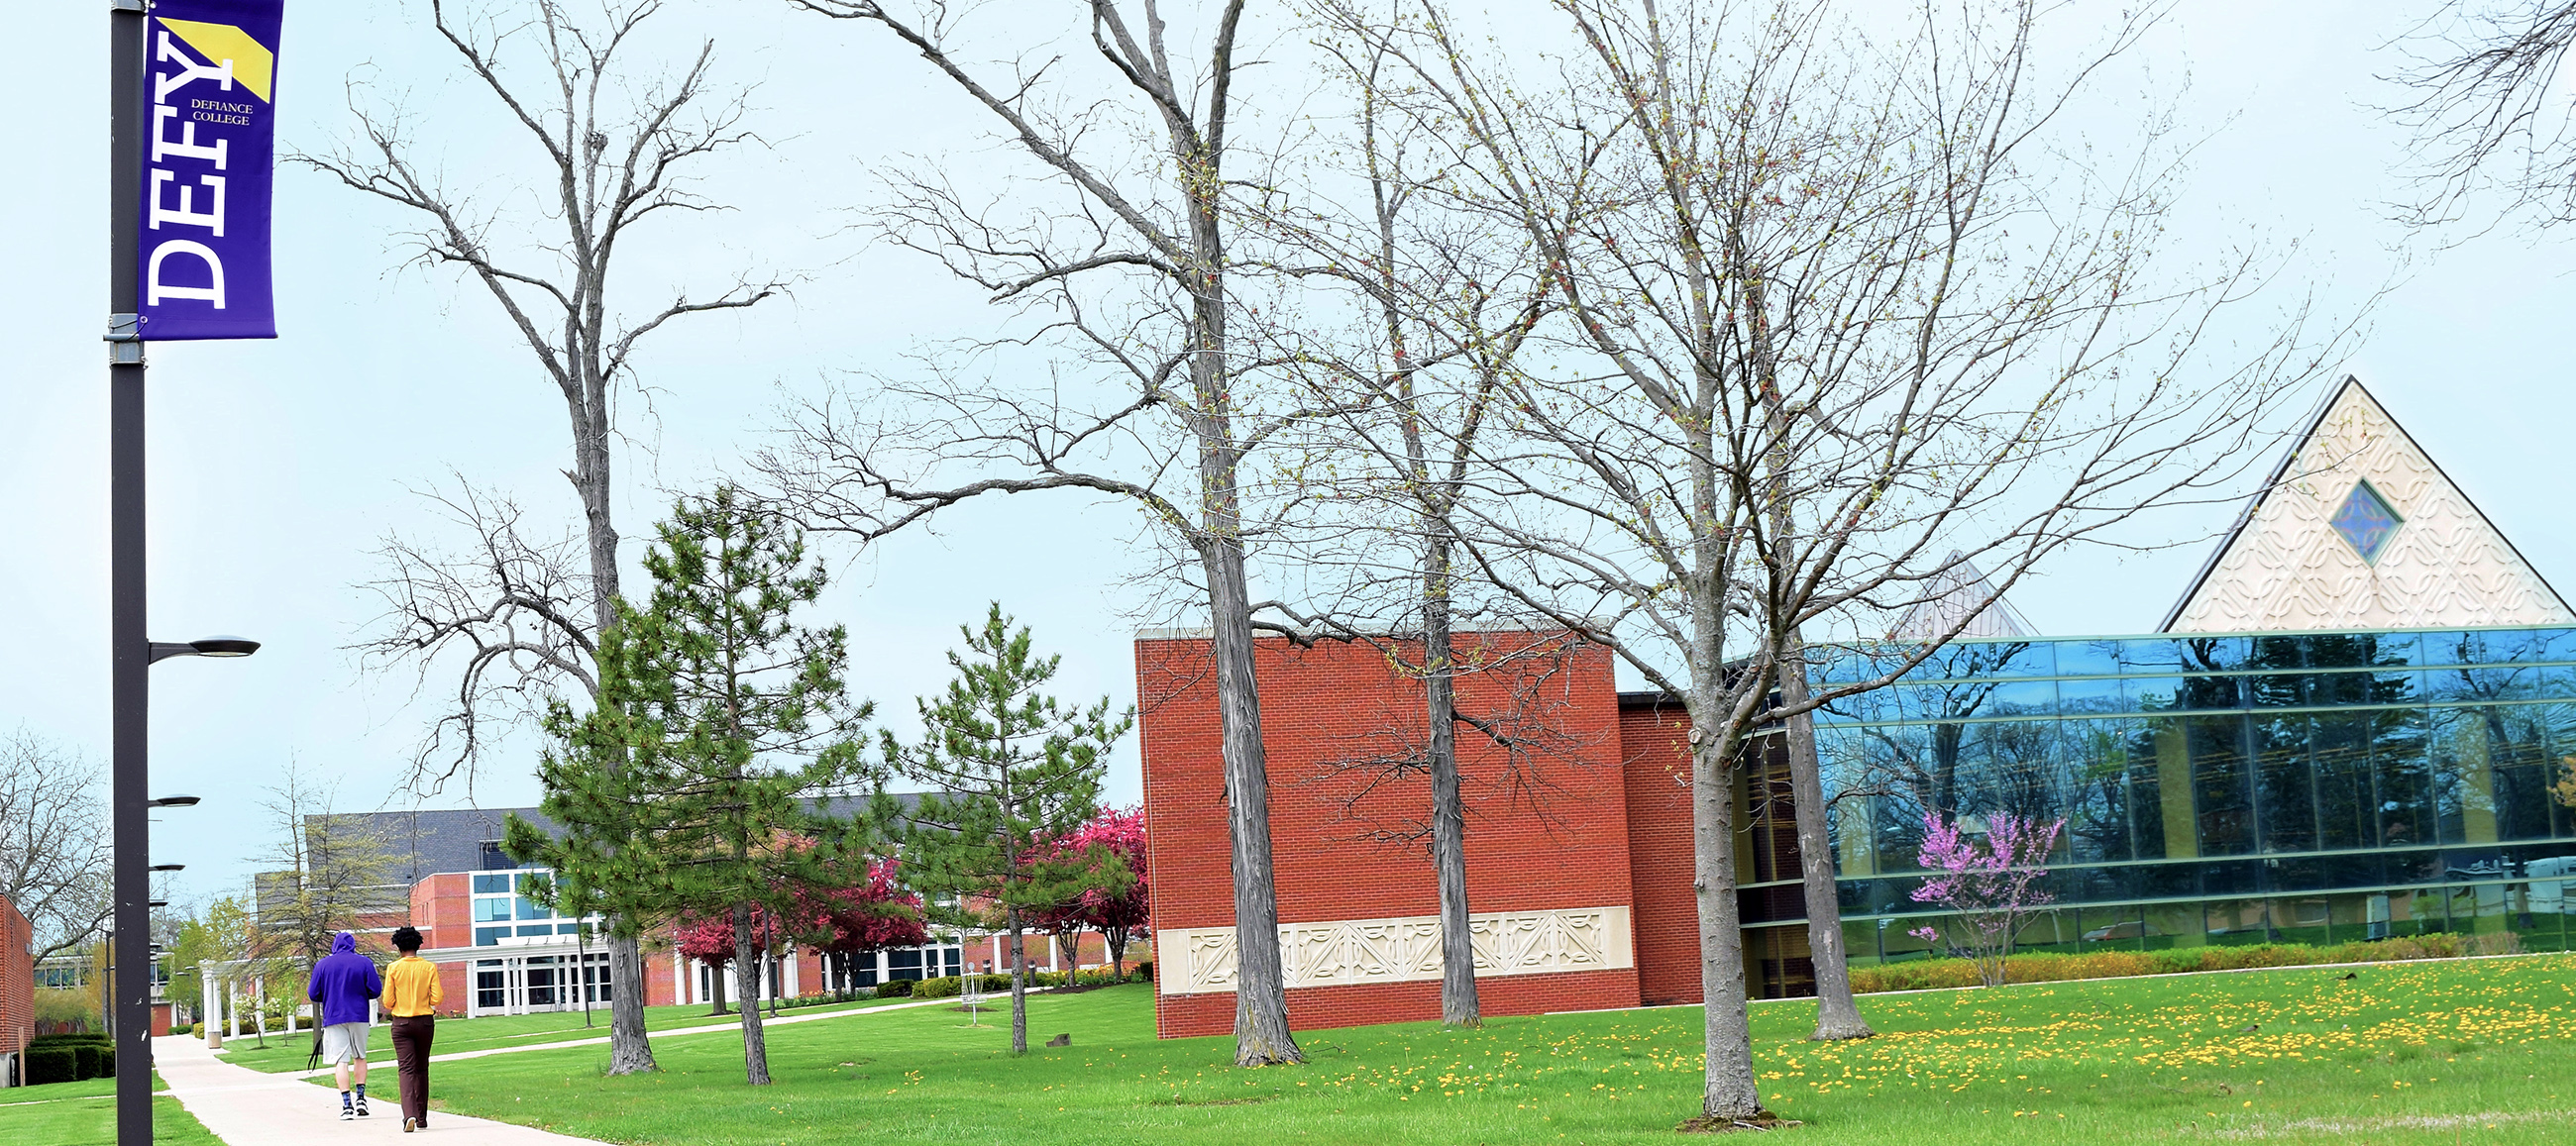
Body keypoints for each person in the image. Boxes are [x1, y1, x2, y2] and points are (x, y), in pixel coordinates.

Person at [307, 931, 383, 1120]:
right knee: (360, 1056)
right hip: (359, 1014)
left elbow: (313, 993)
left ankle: (346, 1104)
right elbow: (375, 990)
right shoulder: (364, 963)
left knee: (341, 1061)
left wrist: (328, 995)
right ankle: (361, 1098)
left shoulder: (323, 965)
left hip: (334, 1015)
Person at [383, 925, 443, 1133]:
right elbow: (437, 998)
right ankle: (422, 1118)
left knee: (406, 1069)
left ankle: (408, 1114)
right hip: (425, 1022)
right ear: (418, 945)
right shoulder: (429, 967)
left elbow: (388, 1001)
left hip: (401, 1023)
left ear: (398, 947)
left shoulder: (393, 968)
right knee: (422, 1068)